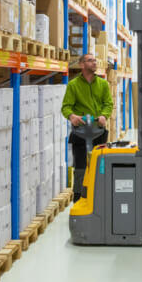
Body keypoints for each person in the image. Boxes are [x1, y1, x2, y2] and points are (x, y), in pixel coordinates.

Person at [61, 53, 113, 202]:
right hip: (80, 133)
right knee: (80, 169)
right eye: (90, 61)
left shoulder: (102, 84)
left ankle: (99, 198)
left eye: (95, 60)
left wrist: (104, 115)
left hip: (98, 132)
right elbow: (66, 107)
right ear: (82, 65)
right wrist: (72, 117)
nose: (94, 63)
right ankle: (79, 200)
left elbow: (108, 104)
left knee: (99, 167)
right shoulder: (73, 85)